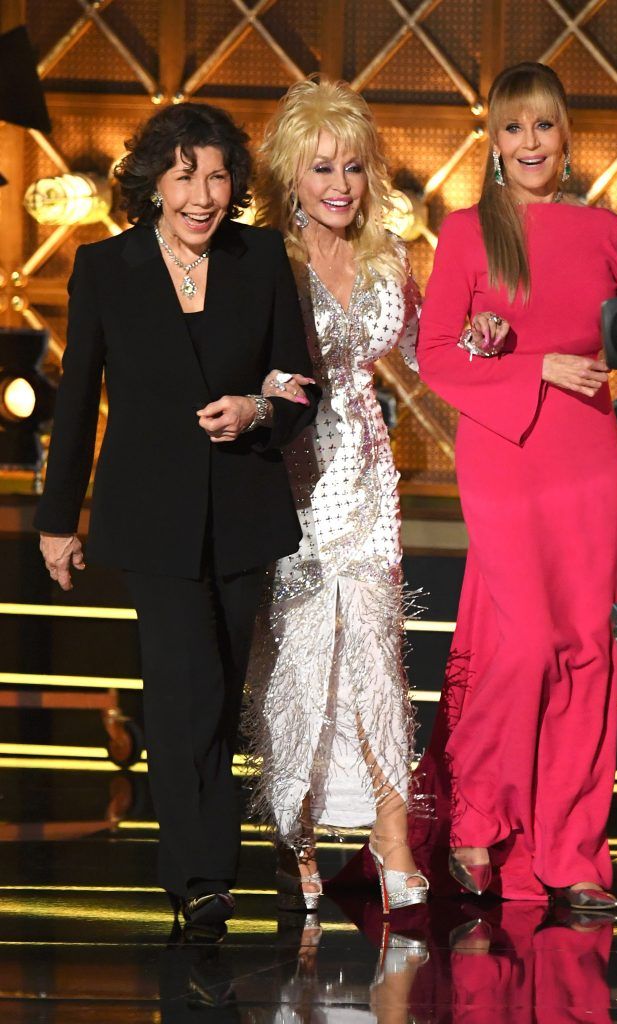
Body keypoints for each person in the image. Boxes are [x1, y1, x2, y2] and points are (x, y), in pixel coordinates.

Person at [34, 101, 318, 929]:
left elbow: (298, 381)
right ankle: (199, 876)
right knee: (179, 690)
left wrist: (256, 412)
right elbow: (78, 400)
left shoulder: (260, 256)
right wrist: (60, 521)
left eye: (218, 174)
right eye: (185, 175)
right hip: (148, 515)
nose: (203, 194)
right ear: (153, 182)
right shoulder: (104, 266)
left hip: (241, 511)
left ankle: (203, 866)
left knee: (221, 693)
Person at [412, 62, 617, 910]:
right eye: (513, 127)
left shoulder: (607, 230)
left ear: (565, 135)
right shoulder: (468, 232)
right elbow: (435, 356)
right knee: (528, 641)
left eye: (543, 125)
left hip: (585, 457)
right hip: (504, 450)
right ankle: (478, 816)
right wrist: (518, 357)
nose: (530, 142)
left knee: (585, 646)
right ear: (492, 140)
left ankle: (571, 850)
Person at [244, 76, 428, 915]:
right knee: (300, 660)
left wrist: (486, 336)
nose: (340, 187)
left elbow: (434, 356)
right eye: (322, 169)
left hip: (366, 475)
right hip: (286, 475)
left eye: (352, 168)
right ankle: (297, 836)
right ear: (292, 175)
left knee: (377, 663)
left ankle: (391, 840)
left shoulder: (390, 257)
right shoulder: (261, 259)